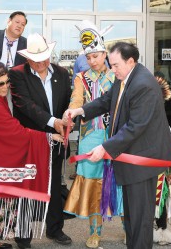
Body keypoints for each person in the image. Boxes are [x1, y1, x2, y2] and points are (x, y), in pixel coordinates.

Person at [63, 41, 171, 249]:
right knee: (132, 216)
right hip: (131, 159)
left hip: (143, 161)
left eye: (115, 65)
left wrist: (105, 148)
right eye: (111, 65)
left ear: (130, 61)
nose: (112, 70)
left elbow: (135, 126)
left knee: (140, 220)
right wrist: (80, 111)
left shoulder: (143, 84)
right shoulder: (124, 77)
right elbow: (106, 100)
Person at [0, 62, 62, 249]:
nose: (5, 86)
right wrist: (48, 136)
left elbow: (7, 130)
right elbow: (14, 131)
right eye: (0, 84)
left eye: (7, 82)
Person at [63, 20, 123, 249]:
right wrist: (71, 109)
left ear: (104, 53)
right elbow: (76, 100)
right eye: (88, 58)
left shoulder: (117, 75)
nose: (92, 61)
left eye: (95, 56)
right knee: (93, 187)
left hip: (117, 136)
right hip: (91, 136)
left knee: (121, 182)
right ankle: (95, 231)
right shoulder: (81, 78)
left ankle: (129, 228)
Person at [9, 33, 72, 248]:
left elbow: (67, 102)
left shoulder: (62, 73)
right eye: (36, 60)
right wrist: (53, 121)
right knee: (27, 187)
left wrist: (67, 120)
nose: (42, 63)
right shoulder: (17, 75)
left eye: (45, 57)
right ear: (27, 59)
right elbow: (25, 105)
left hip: (56, 141)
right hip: (30, 140)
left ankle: (55, 229)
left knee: (55, 186)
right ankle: (23, 235)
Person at [153, 74, 171, 246]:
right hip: (141, 171)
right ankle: (141, 231)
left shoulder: (163, 124)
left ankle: (161, 230)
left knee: (161, 200)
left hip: (160, 173)